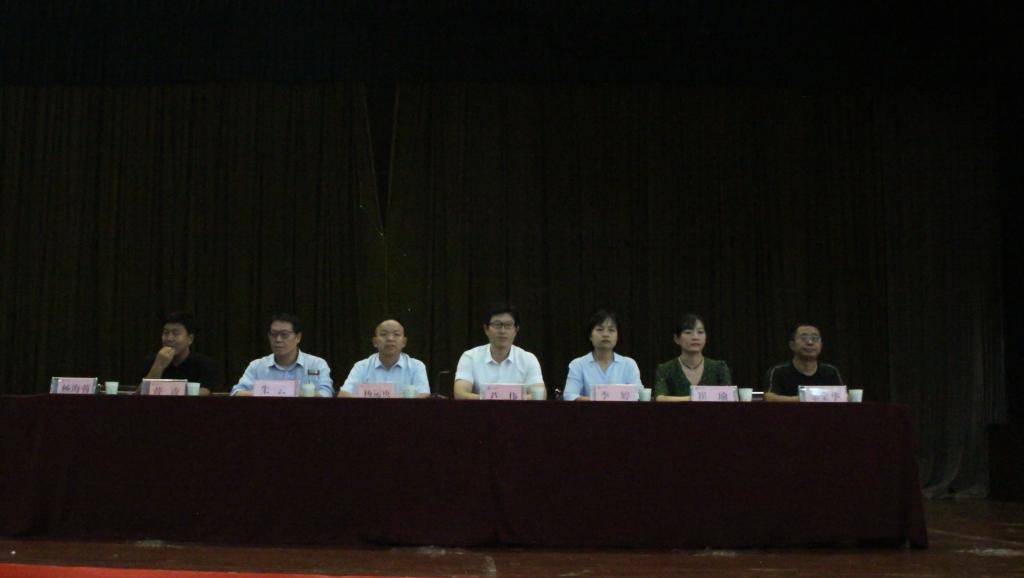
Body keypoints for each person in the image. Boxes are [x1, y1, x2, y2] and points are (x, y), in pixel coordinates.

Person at [453, 302, 545, 400]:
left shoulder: (528, 359)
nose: (502, 331)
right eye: (497, 325)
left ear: (516, 330)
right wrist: (498, 399)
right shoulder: (470, 357)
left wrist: (499, 398)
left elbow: (540, 395)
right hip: (480, 410)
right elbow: (460, 394)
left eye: (508, 325)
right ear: (486, 329)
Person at [231, 313, 334, 397]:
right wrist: (265, 393)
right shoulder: (257, 366)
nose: (278, 339)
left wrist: (291, 394)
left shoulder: (316, 364)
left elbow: (326, 393)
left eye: (284, 334)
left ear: (298, 337)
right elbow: (236, 392)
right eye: (274, 334)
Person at [563, 310, 643, 401]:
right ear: (590, 336)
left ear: (618, 336)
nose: (605, 335)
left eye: (611, 330)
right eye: (600, 330)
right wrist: (599, 402)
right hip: (589, 410)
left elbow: (639, 394)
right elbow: (570, 396)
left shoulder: (629, 364)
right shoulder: (578, 364)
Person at [339, 318, 430, 398]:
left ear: (404, 342)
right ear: (375, 342)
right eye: (384, 334)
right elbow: (344, 394)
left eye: (396, 334)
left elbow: (424, 394)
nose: (390, 338)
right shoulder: (361, 366)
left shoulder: (416, 366)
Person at [654, 313, 732, 401]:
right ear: (676, 339)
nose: (695, 337)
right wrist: (696, 398)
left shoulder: (719, 368)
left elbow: (728, 397)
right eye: (688, 332)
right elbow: (660, 398)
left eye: (700, 332)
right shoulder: (665, 369)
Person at [763, 323, 844, 402]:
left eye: (815, 338)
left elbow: (843, 397)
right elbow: (769, 398)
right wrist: (805, 399)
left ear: (821, 345)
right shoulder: (778, 372)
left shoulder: (831, 372)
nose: (810, 342)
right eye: (804, 338)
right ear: (792, 345)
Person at [141, 311, 217, 394]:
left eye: (176, 333)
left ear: (190, 339)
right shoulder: (151, 361)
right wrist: (158, 365)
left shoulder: (204, 364)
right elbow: (140, 395)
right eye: (166, 333)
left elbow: (204, 392)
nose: (169, 339)